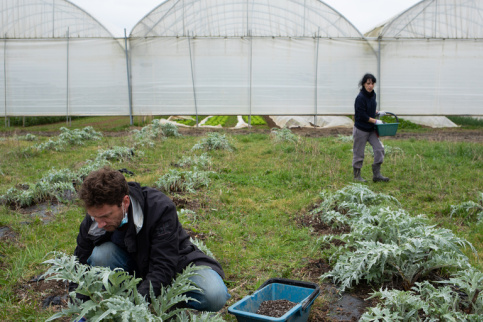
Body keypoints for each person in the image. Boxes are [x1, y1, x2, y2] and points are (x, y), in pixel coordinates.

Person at [71, 166, 230, 311]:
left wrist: (134, 306)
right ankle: (131, 294)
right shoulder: (96, 219)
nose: (100, 224)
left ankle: (169, 300)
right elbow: (80, 259)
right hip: (134, 267)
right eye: (95, 217)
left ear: (125, 202)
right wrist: (79, 302)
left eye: (106, 216)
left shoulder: (159, 208)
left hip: (176, 264)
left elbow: (164, 264)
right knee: (101, 254)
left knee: (214, 295)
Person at [352, 73, 390, 182]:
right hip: (361, 129)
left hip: (371, 129)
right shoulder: (360, 98)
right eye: (368, 83)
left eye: (372, 83)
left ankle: (377, 175)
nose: (370, 86)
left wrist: (377, 112)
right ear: (364, 84)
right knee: (359, 153)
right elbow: (362, 115)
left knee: (379, 149)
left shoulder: (373, 95)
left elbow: (369, 110)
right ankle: (357, 176)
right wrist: (376, 121)